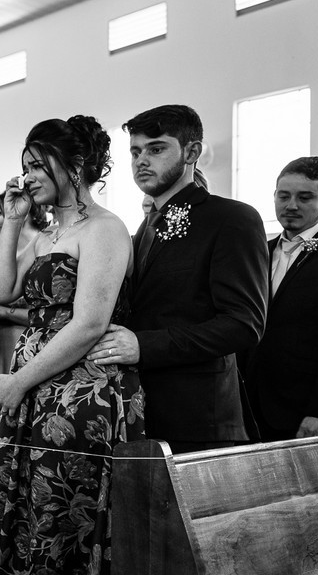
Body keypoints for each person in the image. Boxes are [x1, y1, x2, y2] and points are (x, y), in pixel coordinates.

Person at [0, 116, 144, 575]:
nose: (28, 175)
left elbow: (90, 322)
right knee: (25, 525)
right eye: (24, 163)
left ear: (74, 168)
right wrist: (14, 222)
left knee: (61, 530)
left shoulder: (105, 229)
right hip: (36, 392)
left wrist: (20, 380)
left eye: (39, 164)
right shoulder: (45, 234)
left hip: (80, 398)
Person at [88, 104, 268, 452]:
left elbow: (244, 324)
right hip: (134, 410)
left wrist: (144, 345)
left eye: (156, 149)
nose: (141, 161)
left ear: (192, 152)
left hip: (198, 416)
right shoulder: (139, 231)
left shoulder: (230, 219)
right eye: (135, 152)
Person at [246, 156, 318, 441]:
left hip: (307, 410)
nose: (291, 205)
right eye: (283, 196)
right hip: (249, 404)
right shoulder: (258, 250)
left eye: (304, 197)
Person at [0, 191, 48, 376]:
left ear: (24, 215)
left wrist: (5, 312)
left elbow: (55, 316)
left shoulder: (46, 252)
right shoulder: (2, 257)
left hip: (34, 348)